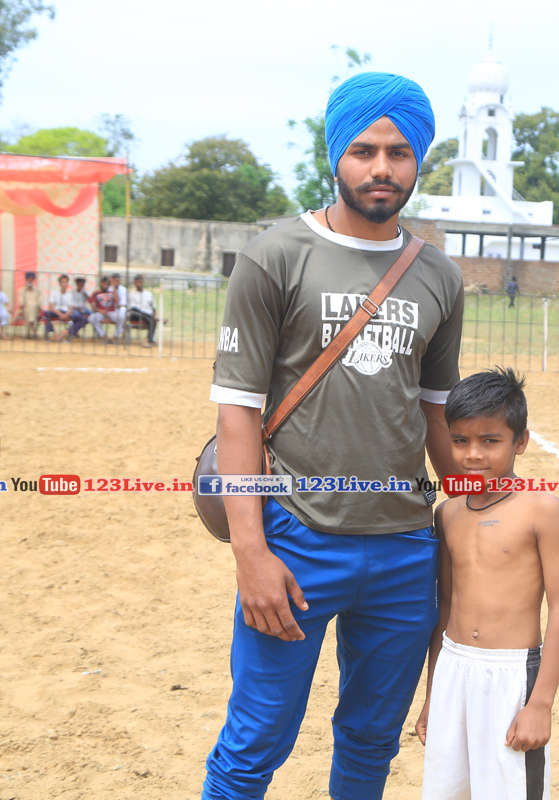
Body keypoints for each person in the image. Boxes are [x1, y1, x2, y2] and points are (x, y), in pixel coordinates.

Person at [202, 71, 464, 800]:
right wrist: (251, 552)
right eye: (363, 150)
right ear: (336, 156)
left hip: (404, 548)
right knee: (256, 739)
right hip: (296, 539)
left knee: (372, 742)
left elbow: (436, 413)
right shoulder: (275, 255)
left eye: (399, 153)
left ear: (418, 161)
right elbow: (237, 413)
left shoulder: (439, 276)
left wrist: (484, 509)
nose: (382, 168)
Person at [415, 367, 559, 800]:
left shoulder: (542, 509)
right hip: (453, 670)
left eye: (490, 441)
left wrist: (540, 703)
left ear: (520, 441)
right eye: (460, 440)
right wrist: (433, 695)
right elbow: (446, 606)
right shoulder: (447, 513)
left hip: (511, 677)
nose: (473, 455)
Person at [128, 274, 157, 347]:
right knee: (135, 310)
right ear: (134, 283)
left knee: (152, 321)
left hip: (146, 316)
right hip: (135, 315)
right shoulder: (131, 294)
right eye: (136, 282)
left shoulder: (149, 294)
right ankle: (150, 317)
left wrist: (153, 315)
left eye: (139, 282)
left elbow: (154, 308)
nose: (138, 284)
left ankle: (147, 340)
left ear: (143, 282)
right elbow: (131, 308)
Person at [89, 276, 119, 344]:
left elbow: (117, 301)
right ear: (100, 283)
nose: (106, 285)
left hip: (112, 312)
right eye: (104, 283)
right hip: (100, 313)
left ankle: (115, 337)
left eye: (107, 284)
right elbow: (93, 307)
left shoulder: (112, 292)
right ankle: (103, 336)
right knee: (91, 318)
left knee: (122, 317)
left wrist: (113, 287)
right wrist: (101, 311)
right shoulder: (96, 293)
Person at [44, 274, 73, 341]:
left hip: (66, 312)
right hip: (56, 311)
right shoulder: (54, 293)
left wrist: (66, 314)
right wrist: (59, 313)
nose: (64, 284)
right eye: (62, 282)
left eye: (66, 282)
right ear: (59, 284)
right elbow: (51, 307)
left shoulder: (70, 295)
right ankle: (54, 333)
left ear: (68, 284)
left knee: (80, 319)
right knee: (44, 314)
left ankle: (65, 332)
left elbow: (71, 309)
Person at [15, 271, 43, 338]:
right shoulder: (21, 290)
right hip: (24, 309)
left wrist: (35, 306)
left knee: (33, 308)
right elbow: (21, 303)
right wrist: (29, 305)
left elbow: (40, 302)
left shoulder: (37, 290)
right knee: (29, 308)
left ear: (33, 279)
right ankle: (33, 331)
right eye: (29, 278)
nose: (30, 280)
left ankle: (28, 331)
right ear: (26, 279)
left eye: (31, 278)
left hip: (35, 310)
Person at [67, 276, 92, 340]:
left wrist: (84, 293)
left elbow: (90, 300)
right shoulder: (72, 292)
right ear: (77, 285)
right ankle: (73, 332)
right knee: (77, 316)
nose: (81, 286)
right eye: (79, 285)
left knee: (92, 315)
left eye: (82, 285)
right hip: (75, 308)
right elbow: (70, 304)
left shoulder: (84, 292)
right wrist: (78, 308)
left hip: (83, 308)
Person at [109, 273, 129, 339]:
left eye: (117, 281)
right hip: (111, 310)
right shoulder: (109, 289)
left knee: (122, 313)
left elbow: (123, 304)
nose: (115, 283)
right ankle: (120, 330)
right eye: (114, 281)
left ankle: (117, 334)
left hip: (120, 309)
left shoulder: (124, 289)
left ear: (120, 281)